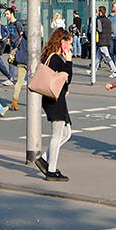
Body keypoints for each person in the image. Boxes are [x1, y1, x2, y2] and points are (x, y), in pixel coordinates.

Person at [35, 27, 75, 182]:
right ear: (62, 42)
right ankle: (51, 170)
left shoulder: (50, 56)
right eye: (69, 43)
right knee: (57, 135)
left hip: (54, 99)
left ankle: (44, 159)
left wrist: (64, 89)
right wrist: (69, 60)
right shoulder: (57, 58)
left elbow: (58, 80)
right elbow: (67, 77)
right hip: (54, 101)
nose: (70, 47)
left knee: (67, 133)